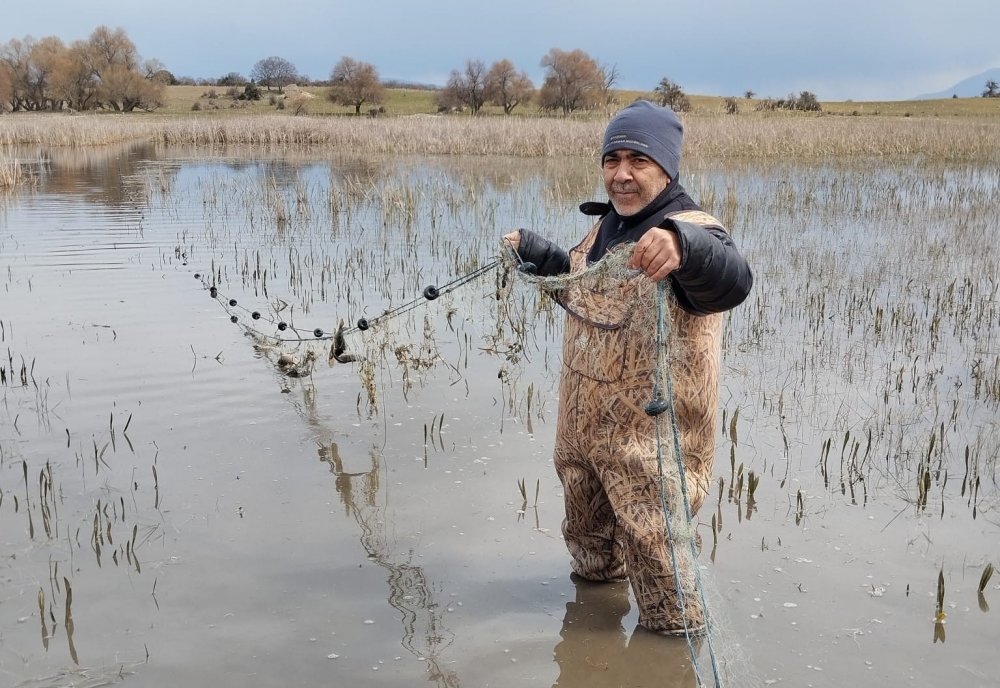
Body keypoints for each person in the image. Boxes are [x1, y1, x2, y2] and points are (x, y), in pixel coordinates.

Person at [503, 100, 752, 636]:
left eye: (638, 160)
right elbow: (587, 293)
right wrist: (542, 257)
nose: (621, 174)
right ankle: (590, 641)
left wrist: (684, 246)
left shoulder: (692, 228)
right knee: (591, 563)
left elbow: (732, 280)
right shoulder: (605, 227)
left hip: (650, 446)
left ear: (667, 167)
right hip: (582, 436)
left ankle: (665, 656)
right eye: (612, 158)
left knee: (666, 594)